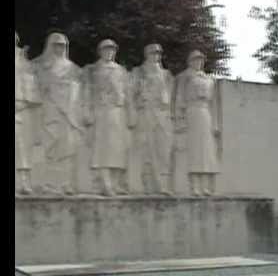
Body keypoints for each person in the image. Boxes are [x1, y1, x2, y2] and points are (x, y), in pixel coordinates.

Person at [32, 33, 83, 194]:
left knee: (67, 149)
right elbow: (35, 88)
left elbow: (79, 91)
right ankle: (47, 182)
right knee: (50, 148)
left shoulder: (73, 68)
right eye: (56, 45)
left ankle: (65, 183)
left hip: (68, 114)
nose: (59, 48)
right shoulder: (40, 66)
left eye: (62, 45)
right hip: (50, 112)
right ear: (50, 46)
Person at [83, 39, 134, 196]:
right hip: (102, 110)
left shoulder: (120, 70)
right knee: (103, 147)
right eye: (106, 50)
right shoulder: (93, 70)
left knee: (118, 147)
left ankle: (116, 182)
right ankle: (105, 183)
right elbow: (87, 92)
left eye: (112, 50)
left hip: (118, 112)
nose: (110, 52)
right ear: (100, 51)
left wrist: (131, 113)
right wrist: (87, 111)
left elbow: (128, 93)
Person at [131, 44, 174, 195]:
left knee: (164, 150)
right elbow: (132, 94)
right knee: (147, 150)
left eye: (158, 53)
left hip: (162, 114)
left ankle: (163, 184)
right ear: (146, 54)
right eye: (153, 53)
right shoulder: (139, 72)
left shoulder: (166, 74)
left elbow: (171, 98)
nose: (156, 56)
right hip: (146, 113)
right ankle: (148, 184)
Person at [176, 50, 220, 196]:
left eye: (200, 60)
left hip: (205, 114)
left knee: (207, 152)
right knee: (195, 151)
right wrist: (180, 119)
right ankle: (194, 185)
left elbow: (214, 103)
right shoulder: (184, 77)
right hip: (192, 112)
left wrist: (215, 124)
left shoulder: (209, 79)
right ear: (190, 61)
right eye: (195, 60)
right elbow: (179, 99)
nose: (198, 62)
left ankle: (205, 185)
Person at [15, 32, 42, 194]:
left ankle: (24, 182)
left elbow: (31, 86)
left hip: (20, 107)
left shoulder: (24, 63)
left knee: (21, 147)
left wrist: (23, 102)